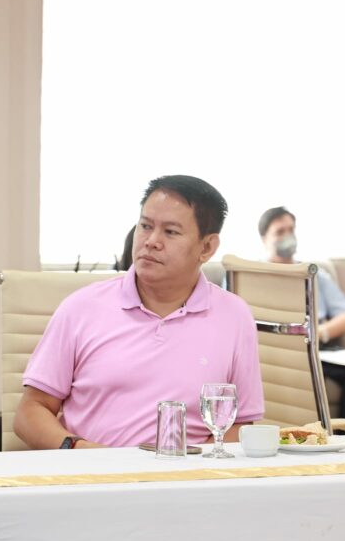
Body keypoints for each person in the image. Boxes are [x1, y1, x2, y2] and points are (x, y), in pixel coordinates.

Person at [14, 175, 264, 449]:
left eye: (171, 232)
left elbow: (239, 424)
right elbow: (31, 411)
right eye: (145, 226)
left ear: (206, 247)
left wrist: (193, 465)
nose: (151, 241)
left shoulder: (234, 316)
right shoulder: (81, 307)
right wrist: (81, 451)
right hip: (91, 468)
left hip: (186, 470)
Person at [259, 206, 345, 429]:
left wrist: (320, 332)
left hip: (314, 347)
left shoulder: (315, 274)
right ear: (265, 239)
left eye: (291, 230)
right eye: (280, 232)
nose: (288, 236)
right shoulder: (250, 275)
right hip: (273, 349)